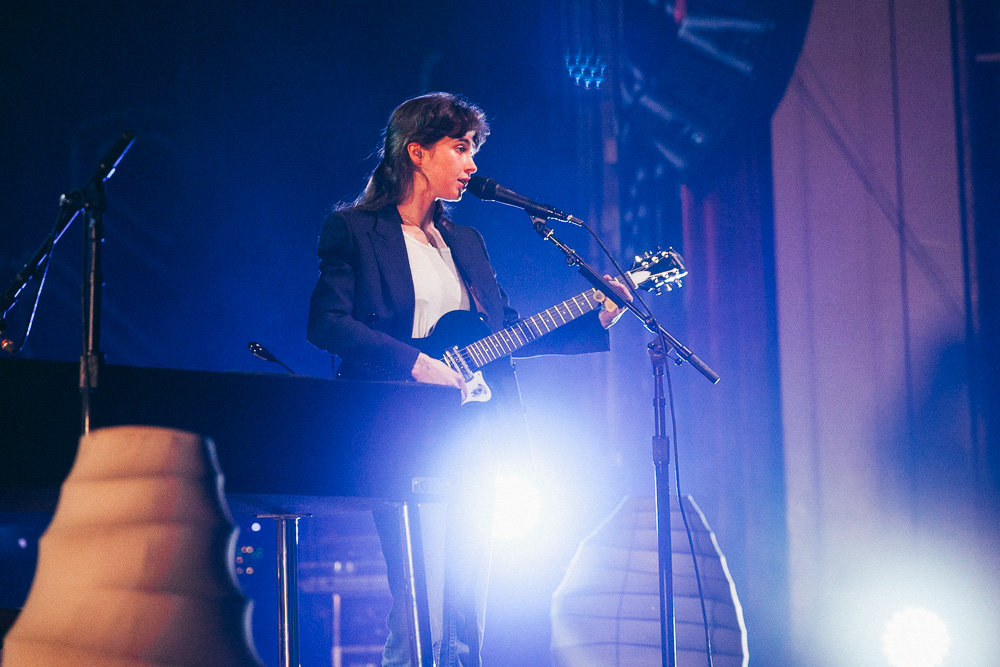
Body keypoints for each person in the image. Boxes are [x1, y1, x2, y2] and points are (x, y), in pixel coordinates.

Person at [307, 92, 625, 667]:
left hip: (474, 435)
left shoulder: (467, 243)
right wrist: (417, 363)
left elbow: (509, 333)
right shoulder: (354, 230)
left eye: (473, 149)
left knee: (464, 616)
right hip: (399, 428)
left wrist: (595, 316)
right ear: (417, 152)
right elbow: (327, 323)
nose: (473, 165)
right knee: (421, 608)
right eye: (461, 148)